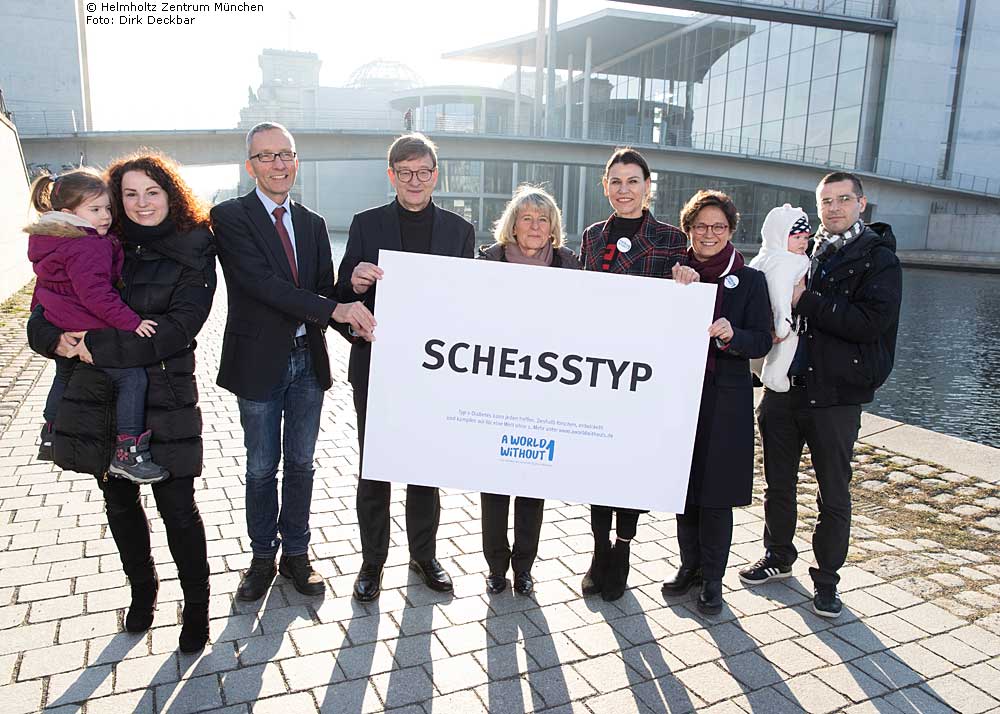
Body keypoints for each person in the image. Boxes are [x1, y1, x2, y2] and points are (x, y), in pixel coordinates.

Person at [27, 151, 217, 653]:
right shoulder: (95, 239)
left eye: (152, 192)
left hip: (167, 394)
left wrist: (93, 346)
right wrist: (55, 340)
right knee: (120, 504)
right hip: (102, 398)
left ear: (171, 194)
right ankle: (142, 592)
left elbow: (179, 328)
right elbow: (42, 309)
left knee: (178, 509)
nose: (141, 202)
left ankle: (197, 607)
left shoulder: (195, 245)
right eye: (129, 194)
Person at [212, 122, 375, 602]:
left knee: (302, 464)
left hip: (308, 361)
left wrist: (355, 304)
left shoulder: (313, 224)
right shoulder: (230, 217)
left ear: (297, 161)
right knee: (261, 467)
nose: (278, 164)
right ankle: (263, 558)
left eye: (286, 154)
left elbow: (324, 291)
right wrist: (334, 309)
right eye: (266, 156)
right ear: (251, 166)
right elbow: (262, 285)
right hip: (258, 362)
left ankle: (297, 556)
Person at [739, 171, 902, 619]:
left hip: (836, 396)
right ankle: (778, 556)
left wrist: (805, 301)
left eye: (843, 199)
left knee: (833, 493)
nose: (833, 208)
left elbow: (870, 323)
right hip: (785, 389)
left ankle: (827, 581)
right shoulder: (804, 250)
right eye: (826, 201)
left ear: (861, 204)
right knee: (778, 484)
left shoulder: (879, 259)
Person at [336, 132, 475, 602]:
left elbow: (470, 304)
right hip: (377, 364)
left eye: (423, 172)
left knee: (425, 465)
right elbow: (341, 293)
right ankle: (372, 561)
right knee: (373, 468)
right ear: (391, 175)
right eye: (405, 173)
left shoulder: (459, 230)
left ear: (436, 175)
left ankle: (424, 555)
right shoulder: (366, 224)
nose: (415, 181)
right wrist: (355, 284)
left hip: (435, 369)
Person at [578, 147, 697, 601]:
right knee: (597, 464)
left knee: (631, 464)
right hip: (598, 369)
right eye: (615, 181)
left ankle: (623, 548)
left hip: (645, 373)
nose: (623, 189)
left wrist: (687, 281)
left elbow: (683, 306)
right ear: (605, 187)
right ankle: (598, 550)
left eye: (633, 181)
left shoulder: (672, 240)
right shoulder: (592, 236)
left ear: (648, 187)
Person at [660, 190, 772, 615]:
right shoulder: (674, 275)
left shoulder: (750, 280)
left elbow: (761, 340)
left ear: (731, 230)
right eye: (701, 226)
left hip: (725, 400)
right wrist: (673, 289)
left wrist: (732, 335)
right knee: (683, 487)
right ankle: (689, 566)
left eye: (719, 227)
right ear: (688, 229)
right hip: (679, 394)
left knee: (716, 494)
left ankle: (712, 580)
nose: (710, 234)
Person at [26, 169, 169, 483]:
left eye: (107, 208)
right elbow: (97, 295)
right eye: (94, 209)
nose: (105, 216)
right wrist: (132, 322)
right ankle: (128, 452)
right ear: (69, 213)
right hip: (87, 326)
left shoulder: (49, 240)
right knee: (132, 378)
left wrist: (47, 323)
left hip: (63, 323)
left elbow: (42, 290)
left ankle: (51, 433)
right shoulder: (89, 245)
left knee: (63, 375)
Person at [476, 185, 580, 595]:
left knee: (534, 481)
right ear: (512, 225)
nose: (535, 226)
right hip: (496, 388)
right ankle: (495, 566)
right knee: (494, 483)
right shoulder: (487, 262)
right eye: (527, 218)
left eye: (543, 219)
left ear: (553, 228)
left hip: (545, 391)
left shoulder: (571, 266)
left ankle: (524, 567)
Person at [748, 204, 812, 392]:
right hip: (776, 315)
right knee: (788, 339)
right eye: (797, 237)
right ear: (780, 236)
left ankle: (756, 367)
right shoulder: (785, 262)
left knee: (761, 345)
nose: (803, 243)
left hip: (757, 315)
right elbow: (780, 292)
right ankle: (774, 376)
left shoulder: (765, 255)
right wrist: (783, 321)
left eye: (806, 238)